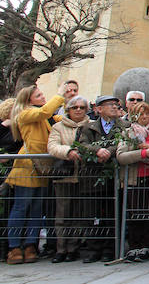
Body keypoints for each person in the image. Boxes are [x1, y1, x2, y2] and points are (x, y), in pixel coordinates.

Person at [5, 85, 65, 265]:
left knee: (37, 211)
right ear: (29, 99)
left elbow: (57, 117)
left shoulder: (41, 116)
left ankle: (31, 245)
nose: (42, 96)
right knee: (21, 208)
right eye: (38, 95)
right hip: (26, 166)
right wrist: (60, 94)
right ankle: (14, 247)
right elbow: (46, 112)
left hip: (40, 168)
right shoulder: (24, 113)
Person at [75, 95, 129, 262]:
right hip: (92, 178)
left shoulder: (125, 126)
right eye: (109, 105)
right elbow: (81, 145)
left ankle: (109, 248)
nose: (114, 107)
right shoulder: (87, 128)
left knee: (113, 213)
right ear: (98, 109)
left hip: (115, 177)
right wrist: (96, 151)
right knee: (92, 214)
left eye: (115, 104)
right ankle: (93, 248)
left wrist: (110, 152)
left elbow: (124, 142)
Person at [46, 96, 90, 263]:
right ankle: (61, 248)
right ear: (68, 110)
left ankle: (73, 248)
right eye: (74, 107)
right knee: (62, 214)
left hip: (85, 175)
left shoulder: (90, 125)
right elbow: (52, 146)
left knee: (79, 215)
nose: (78, 110)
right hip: (64, 176)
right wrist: (68, 151)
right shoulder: (58, 127)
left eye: (81, 107)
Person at [116, 101, 149, 261]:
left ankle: (148, 245)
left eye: (147, 113)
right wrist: (142, 153)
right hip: (134, 178)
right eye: (140, 114)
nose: (144, 117)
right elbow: (121, 156)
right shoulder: (128, 133)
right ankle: (134, 246)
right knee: (133, 213)